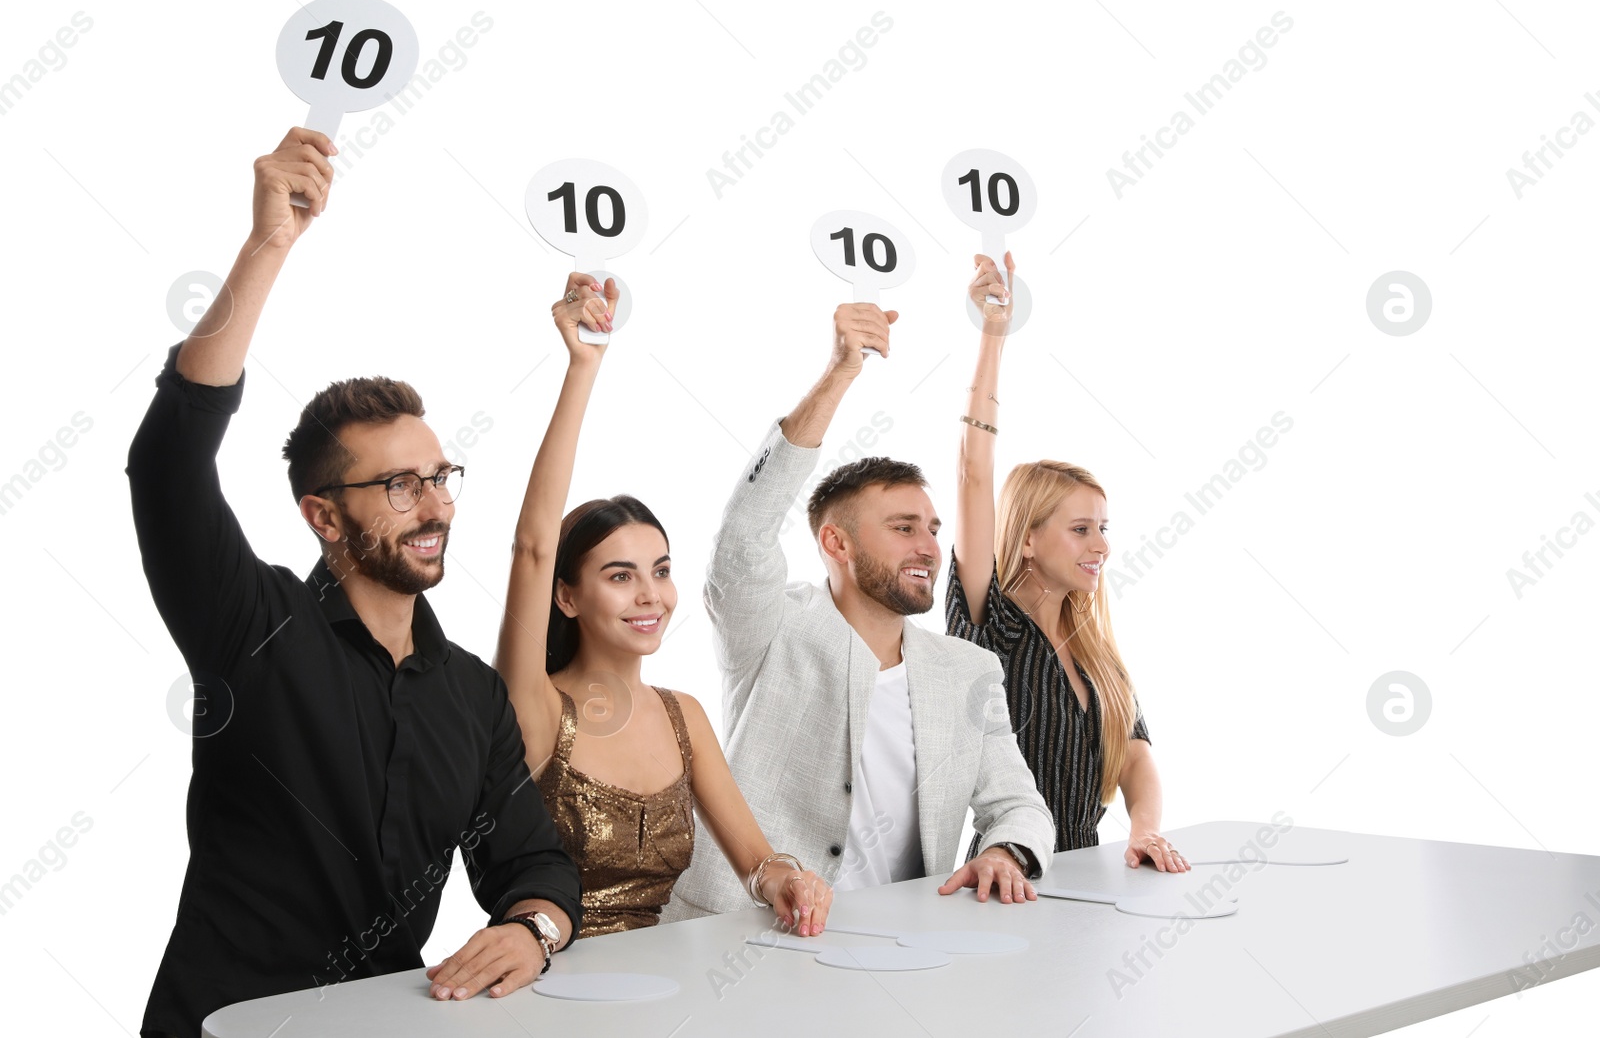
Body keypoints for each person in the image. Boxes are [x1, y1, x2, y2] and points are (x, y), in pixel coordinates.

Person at [126, 129, 582, 1038]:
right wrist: (268, 247)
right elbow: (168, 463)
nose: (432, 506)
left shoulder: (471, 694)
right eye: (397, 485)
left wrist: (535, 929)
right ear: (323, 517)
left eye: (439, 476)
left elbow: (534, 860)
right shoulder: (249, 623)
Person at [666, 301, 1056, 922]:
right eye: (903, 528)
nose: (928, 546)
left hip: (897, 951)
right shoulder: (770, 628)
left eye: (931, 527)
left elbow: (1020, 805)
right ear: (836, 544)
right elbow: (744, 538)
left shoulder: (968, 669)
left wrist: (1006, 853)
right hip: (740, 938)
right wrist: (840, 372)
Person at [494, 275, 833, 937]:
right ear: (566, 594)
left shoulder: (684, 716)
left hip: (659, 985)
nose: (651, 593)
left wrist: (786, 878)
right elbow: (534, 548)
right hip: (540, 980)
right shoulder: (534, 705)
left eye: (662, 570)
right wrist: (582, 368)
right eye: (620, 575)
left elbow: (756, 864)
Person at [946, 252, 1187, 872]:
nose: (1101, 546)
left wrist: (1145, 831)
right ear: (1025, 537)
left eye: (1103, 529)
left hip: (1094, 874)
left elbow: (1134, 753)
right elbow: (974, 472)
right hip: (1006, 874)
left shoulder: (1092, 644)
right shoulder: (987, 620)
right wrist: (992, 334)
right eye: (1080, 530)